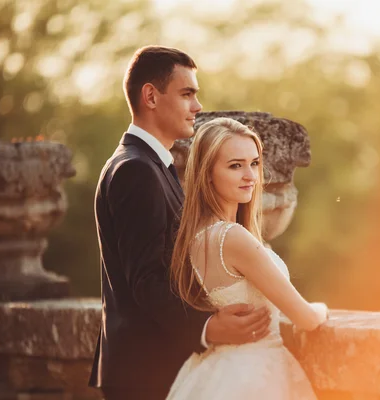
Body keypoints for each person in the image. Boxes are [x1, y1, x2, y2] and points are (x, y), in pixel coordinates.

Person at [88, 46, 271, 400]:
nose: (197, 106)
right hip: (146, 373)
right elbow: (146, 279)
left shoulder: (153, 166)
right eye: (187, 94)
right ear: (151, 96)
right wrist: (207, 328)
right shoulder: (135, 170)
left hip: (152, 367)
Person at [166, 117, 329, 400]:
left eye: (254, 163)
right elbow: (305, 318)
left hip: (215, 371)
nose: (251, 176)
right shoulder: (234, 238)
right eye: (235, 165)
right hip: (255, 374)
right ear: (207, 174)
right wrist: (322, 309)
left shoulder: (195, 237)